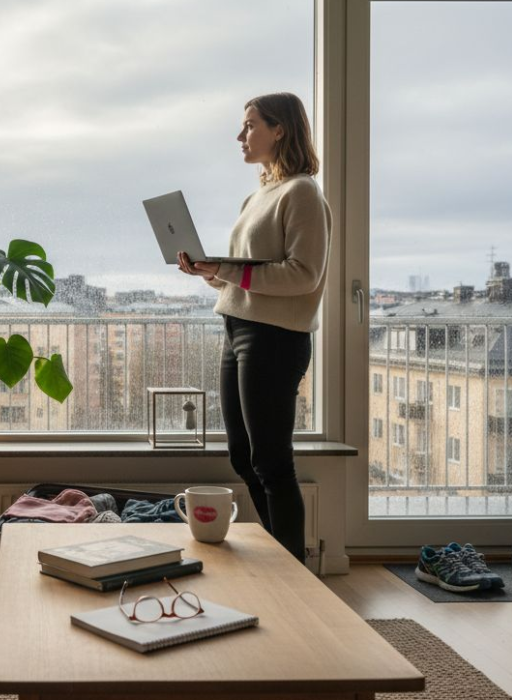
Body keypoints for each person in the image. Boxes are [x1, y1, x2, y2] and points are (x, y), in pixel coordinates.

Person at [176, 92, 330, 561]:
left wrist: (227, 270)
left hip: (275, 337)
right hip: (239, 327)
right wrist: (212, 272)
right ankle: (285, 558)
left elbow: (305, 274)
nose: (240, 135)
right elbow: (249, 274)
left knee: (271, 462)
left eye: (249, 125)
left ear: (278, 129)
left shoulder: (302, 192)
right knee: (244, 457)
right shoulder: (259, 193)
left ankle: (294, 572)